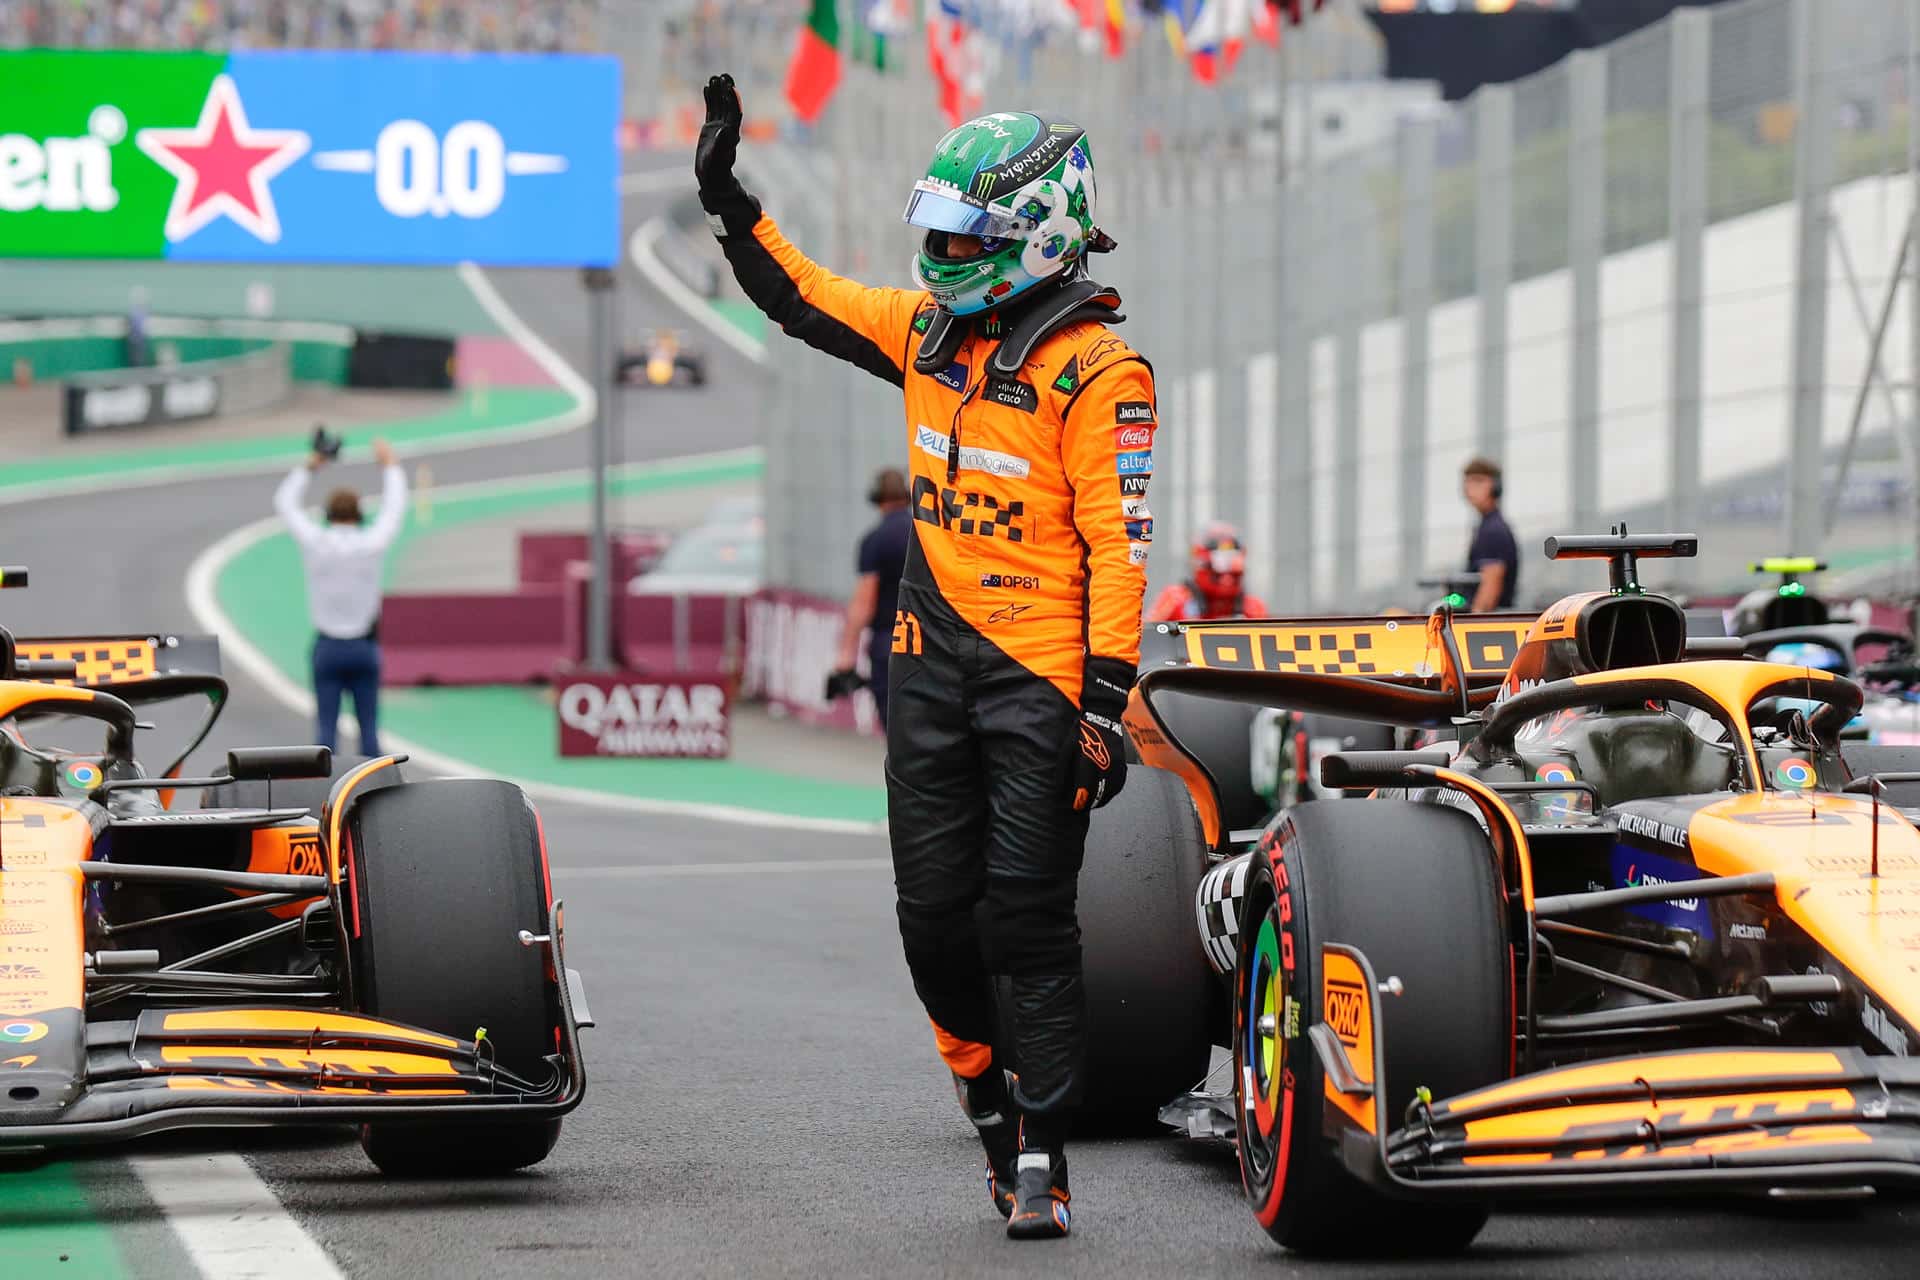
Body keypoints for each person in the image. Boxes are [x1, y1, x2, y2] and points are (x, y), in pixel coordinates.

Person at [698, 74, 1154, 1239]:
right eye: (939, 232)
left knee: (1027, 919)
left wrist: (1106, 701)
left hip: (1044, 676)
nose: (943, 253)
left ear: (1037, 233)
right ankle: (988, 1103)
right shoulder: (926, 331)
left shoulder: (1103, 372)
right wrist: (730, 202)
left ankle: (1042, 1141)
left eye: (968, 235)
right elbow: (805, 300)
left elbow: (1118, 541)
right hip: (930, 666)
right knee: (931, 920)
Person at [273, 438, 407, 756]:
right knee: (370, 734)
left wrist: (312, 464)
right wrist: (390, 466)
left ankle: (324, 798)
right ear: (359, 515)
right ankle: (374, 796)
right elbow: (394, 509)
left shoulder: (316, 541)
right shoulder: (371, 542)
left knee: (325, 734)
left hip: (328, 647)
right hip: (363, 647)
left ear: (327, 514)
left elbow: (285, 502)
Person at [825, 467, 911, 727]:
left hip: (890, 643)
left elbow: (864, 602)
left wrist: (845, 656)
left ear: (878, 499)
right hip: (933, 642)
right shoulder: (927, 535)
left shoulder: (875, 540)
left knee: (896, 732)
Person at [1145, 521, 1268, 621]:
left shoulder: (1253, 607)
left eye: (1234, 570)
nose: (1227, 578)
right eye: (1220, 567)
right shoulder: (1175, 600)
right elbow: (1147, 637)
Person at [1461, 456, 1519, 611]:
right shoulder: (1486, 526)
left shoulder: (1492, 530)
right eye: (1467, 481)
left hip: (1488, 625)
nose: (1470, 487)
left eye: (1478, 481)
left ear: (1496, 486)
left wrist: (1472, 625)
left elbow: (1490, 588)